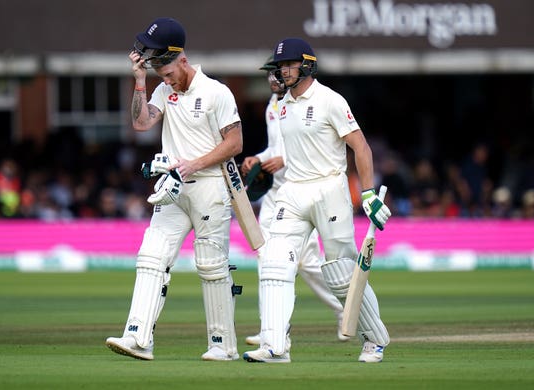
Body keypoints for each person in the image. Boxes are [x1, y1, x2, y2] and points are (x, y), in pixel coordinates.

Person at [243, 38, 391, 363]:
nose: (283, 70)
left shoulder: (330, 101)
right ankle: (275, 346)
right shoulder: (282, 105)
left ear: (306, 65)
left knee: (341, 273)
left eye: (289, 64)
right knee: (275, 262)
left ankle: (374, 340)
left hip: (329, 189)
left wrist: (367, 194)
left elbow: (361, 147)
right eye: (281, 65)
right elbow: (283, 152)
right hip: (293, 190)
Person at [105, 17, 243, 362]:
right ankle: (138, 337)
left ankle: (222, 346)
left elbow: (235, 143)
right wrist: (139, 80)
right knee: (151, 256)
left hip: (210, 188)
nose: (164, 81)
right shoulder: (164, 90)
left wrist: (194, 163)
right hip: (173, 188)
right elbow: (141, 123)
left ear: (181, 59)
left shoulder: (216, 92)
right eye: (158, 76)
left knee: (211, 266)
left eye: (167, 73)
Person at [241, 58, 348, 346]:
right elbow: (275, 148)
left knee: (309, 264)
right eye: (270, 76)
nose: (273, 80)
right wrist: (259, 159)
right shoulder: (273, 106)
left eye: (277, 74)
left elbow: (307, 148)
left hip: (301, 191)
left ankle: (345, 311)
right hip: (275, 194)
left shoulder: (302, 102)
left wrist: (282, 160)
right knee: (267, 258)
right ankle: (271, 329)